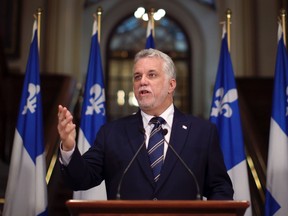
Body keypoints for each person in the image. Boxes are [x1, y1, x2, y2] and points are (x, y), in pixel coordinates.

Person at [57, 48, 234, 200]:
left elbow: (220, 187)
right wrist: (69, 147)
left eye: (152, 75)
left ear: (171, 85)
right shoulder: (111, 133)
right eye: (137, 76)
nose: (142, 81)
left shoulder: (202, 132)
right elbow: (81, 180)